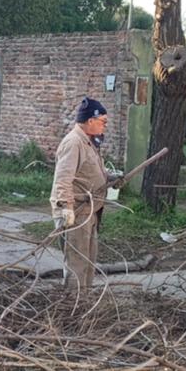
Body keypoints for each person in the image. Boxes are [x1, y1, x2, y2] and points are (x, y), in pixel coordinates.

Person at [51, 98, 111, 292]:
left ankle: (85, 300)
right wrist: (66, 208)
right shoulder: (73, 143)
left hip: (89, 211)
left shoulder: (89, 141)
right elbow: (63, 179)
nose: (105, 126)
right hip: (75, 212)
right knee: (76, 262)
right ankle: (73, 303)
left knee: (88, 260)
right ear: (90, 120)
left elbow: (89, 172)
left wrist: (110, 178)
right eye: (103, 121)